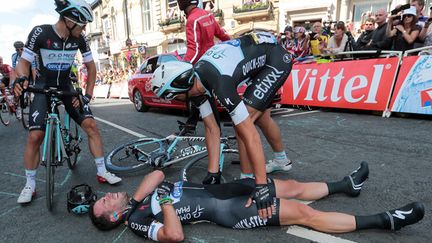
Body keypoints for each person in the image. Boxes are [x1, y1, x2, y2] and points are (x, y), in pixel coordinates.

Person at [89, 162, 425, 242]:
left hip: (227, 189)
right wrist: (159, 203)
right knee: (304, 214)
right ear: (114, 217)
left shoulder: (134, 204)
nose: (106, 197)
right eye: (104, 204)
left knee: (290, 186)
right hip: (228, 210)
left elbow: (159, 174)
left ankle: (345, 184)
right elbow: (175, 236)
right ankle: (385, 220)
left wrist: (136, 199)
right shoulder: (137, 222)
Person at [151, 32, 293, 218]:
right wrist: (213, 172)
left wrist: (261, 186)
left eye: (171, 97)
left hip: (275, 60)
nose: (173, 100)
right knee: (261, 117)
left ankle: (249, 178)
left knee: (244, 122)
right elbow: (211, 127)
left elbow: (250, 134)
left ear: (178, 90)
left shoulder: (219, 83)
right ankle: (281, 160)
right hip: (258, 54)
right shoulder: (197, 85)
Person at [13, 0, 121, 204]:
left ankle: (102, 170)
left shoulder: (80, 39)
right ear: (70, 20)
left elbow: (91, 67)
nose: (85, 29)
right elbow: (24, 62)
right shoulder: (41, 33)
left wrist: (86, 96)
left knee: (91, 125)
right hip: (42, 86)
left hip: (66, 87)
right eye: (83, 24)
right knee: (35, 135)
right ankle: (30, 184)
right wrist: (21, 78)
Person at [178, 0, 230, 138]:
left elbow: (193, 49)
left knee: (201, 96)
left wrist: (183, 66)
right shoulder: (207, 15)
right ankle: (191, 124)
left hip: (201, 65)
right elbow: (222, 34)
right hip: (211, 62)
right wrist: (233, 44)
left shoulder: (192, 20)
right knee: (200, 96)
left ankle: (216, 135)